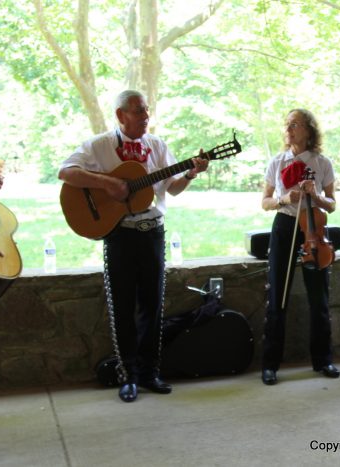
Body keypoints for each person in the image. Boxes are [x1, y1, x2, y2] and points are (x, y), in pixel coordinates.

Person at [58, 90, 208, 402]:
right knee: (122, 305)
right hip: (120, 233)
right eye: (139, 111)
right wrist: (107, 182)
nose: (145, 116)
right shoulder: (98, 146)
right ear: (120, 115)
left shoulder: (157, 145)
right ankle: (127, 375)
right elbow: (65, 172)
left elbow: (173, 189)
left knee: (152, 304)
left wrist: (191, 174)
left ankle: (150, 371)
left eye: (146, 111)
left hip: (152, 231)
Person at [260, 108, 340, 385]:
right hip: (285, 226)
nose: (289, 129)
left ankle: (324, 360)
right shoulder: (277, 161)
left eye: (295, 124)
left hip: (313, 229)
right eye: (287, 125)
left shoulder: (321, 163)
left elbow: (332, 203)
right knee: (277, 296)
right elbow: (265, 202)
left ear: (309, 130)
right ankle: (270, 364)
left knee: (319, 298)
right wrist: (285, 198)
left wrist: (315, 196)